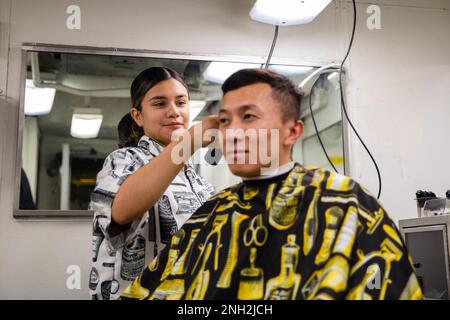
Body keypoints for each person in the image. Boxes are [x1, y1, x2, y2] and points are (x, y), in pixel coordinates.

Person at [120, 68, 423, 300]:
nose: (234, 132)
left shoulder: (348, 204)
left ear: (292, 131)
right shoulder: (211, 213)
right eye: (224, 121)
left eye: (249, 117)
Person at [89, 67, 217, 300]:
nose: (174, 112)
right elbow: (120, 211)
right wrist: (189, 142)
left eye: (181, 103)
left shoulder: (199, 183)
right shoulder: (124, 160)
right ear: (138, 116)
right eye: (159, 104)